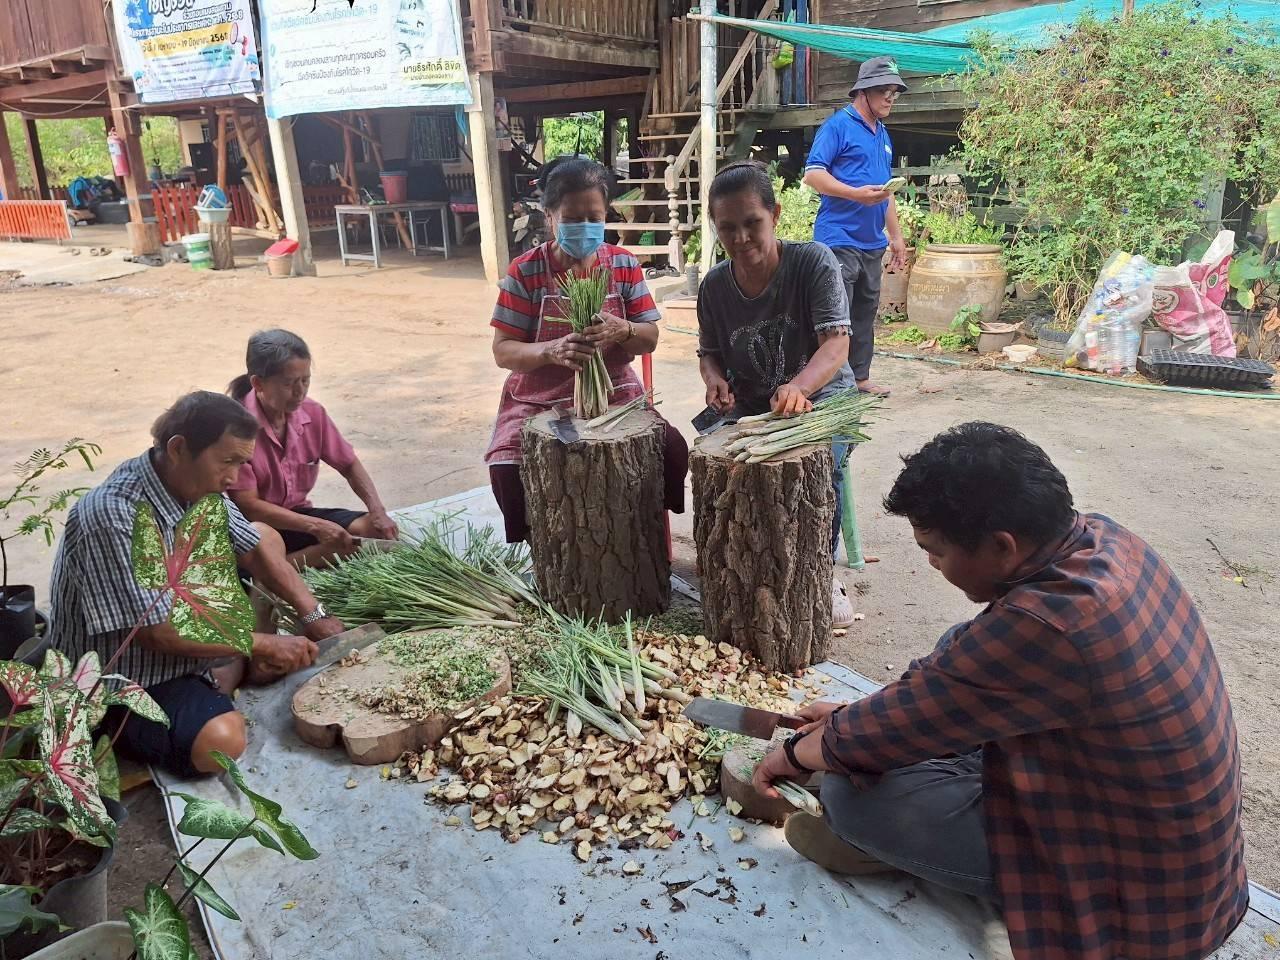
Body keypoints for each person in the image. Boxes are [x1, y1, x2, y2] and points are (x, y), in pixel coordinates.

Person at [753, 422, 1247, 960]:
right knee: (954, 647)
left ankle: (926, 864)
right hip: (1168, 850)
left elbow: (939, 696)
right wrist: (853, 722)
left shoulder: (1050, 624)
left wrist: (793, 754)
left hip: (1140, 901)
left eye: (936, 551)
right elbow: (955, 680)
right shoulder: (1105, 539)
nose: (931, 564)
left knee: (850, 799)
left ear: (1002, 546)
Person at [48, 392, 347, 778]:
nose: (234, 478)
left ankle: (228, 668)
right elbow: (157, 633)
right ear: (178, 449)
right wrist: (261, 643)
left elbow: (254, 551)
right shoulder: (112, 514)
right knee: (221, 742)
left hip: (186, 637)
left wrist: (315, 615)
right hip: (126, 679)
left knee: (265, 536)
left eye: (241, 463)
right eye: (227, 461)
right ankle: (223, 673)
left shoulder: (196, 488)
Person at [485, 157, 688, 542]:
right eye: (572, 218)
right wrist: (551, 350)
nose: (584, 227)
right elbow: (503, 351)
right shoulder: (525, 272)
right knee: (507, 468)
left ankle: (639, 535)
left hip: (615, 391)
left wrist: (623, 330)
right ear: (549, 216)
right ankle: (546, 546)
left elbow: (649, 338)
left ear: (606, 214)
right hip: (539, 398)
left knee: (673, 449)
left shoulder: (623, 265)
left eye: (594, 218)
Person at [696, 160, 858, 627]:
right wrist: (714, 380)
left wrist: (799, 386)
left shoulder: (812, 262)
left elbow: (836, 345)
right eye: (728, 228)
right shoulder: (714, 287)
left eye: (752, 223)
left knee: (819, 461)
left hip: (823, 397)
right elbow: (708, 354)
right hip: (754, 404)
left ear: (776, 214)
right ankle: (738, 567)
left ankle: (820, 570)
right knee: (715, 458)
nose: (741, 238)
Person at [227, 329, 399, 569]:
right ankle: (277, 571)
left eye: (305, 380)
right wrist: (316, 526)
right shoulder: (237, 429)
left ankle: (289, 565)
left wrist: (377, 510)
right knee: (268, 544)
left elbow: (349, 464)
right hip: (255, 526)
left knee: (373, 531)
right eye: (289, 383)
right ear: (258, 383)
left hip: (296, 516)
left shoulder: (312, 413)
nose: (300, 392)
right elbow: (249, 506)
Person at [803, 56, 910, 397]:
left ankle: (859, 378)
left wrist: (896, 237)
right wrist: (854, 194)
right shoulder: (837, 126)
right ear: (862, 91)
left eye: (894, 91)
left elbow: (885, 191)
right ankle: (831, 383)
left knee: (864, 315)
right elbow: (812, 175)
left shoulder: (883, 134)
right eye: (883, 90)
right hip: (838, 239)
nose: (890, 97)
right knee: (837, 318)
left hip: (871, 242)